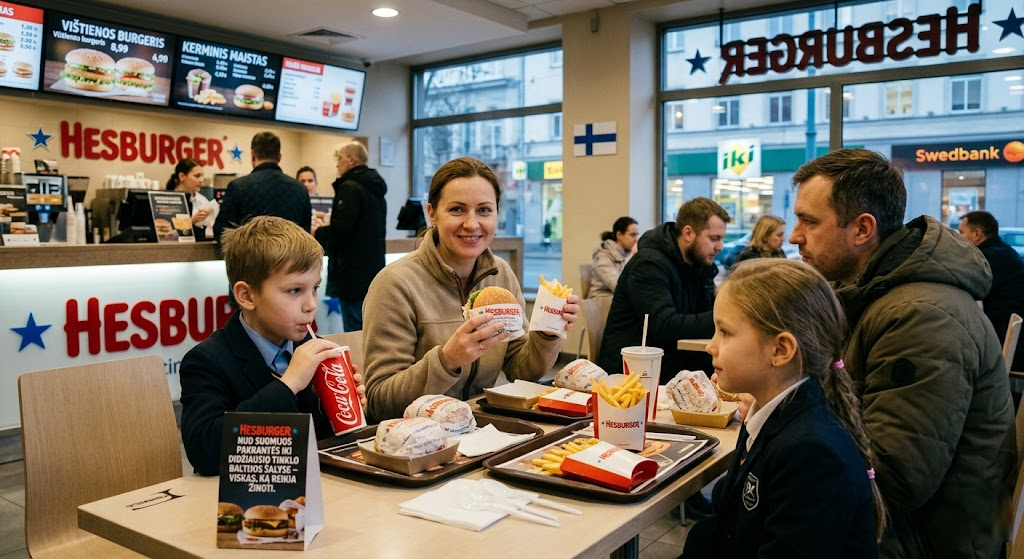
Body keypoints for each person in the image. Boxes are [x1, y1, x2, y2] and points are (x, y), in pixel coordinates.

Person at [789, 148, 1015, 558]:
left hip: (920, 540)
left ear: (862, 229)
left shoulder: (920, 317)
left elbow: (892, 477)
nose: (794, 236)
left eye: (809, 221)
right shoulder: (872, 295)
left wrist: (782, 410)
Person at [682, 259, 884, 558]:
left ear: (780, 350)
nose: (711, 347)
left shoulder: (812, 454)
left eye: (724, 332)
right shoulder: (769, 417)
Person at [361, 157, 577, 421]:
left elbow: (521, 371)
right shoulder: (394, 284)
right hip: (416, 443)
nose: (472, 224)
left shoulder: (501, 274)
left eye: (484, 210)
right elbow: (380, 402)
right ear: (432, 214)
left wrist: (546, 332)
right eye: (457, 210)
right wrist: (447, 360)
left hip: (482, 429)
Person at [179, 216, 366, 476]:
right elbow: (204, 452)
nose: (311, 304)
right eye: (294, 290)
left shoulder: (313, 347)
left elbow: (322, 445)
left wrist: (336, 408)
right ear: (247, 296)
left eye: (314, 289)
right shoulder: (207, 361)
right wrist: (288, 385)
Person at [598, 197, 729, 383]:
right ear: (688, 233)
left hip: (672, 363)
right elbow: (665, 326)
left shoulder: (697, 263)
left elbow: (705, 310)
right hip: (636, 374)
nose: (720, 247)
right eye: (714, 238)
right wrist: (723, 318)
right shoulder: (648, 265)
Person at [313, 141, 388, 332]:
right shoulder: (376, 189)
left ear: (352, 160)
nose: (337, 164)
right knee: (370, 329)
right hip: (373, 270)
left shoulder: (349, 188)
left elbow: (341, 230)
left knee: (354, 330)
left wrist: (318, 232)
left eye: (340, 159)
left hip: (351, 273)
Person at [213, 131, 312, 245]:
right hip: (291, 260)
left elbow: (221, 232)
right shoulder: (300, 189)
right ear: (279, 157)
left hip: (251, 259)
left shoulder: (237, 187)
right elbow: (306, 234)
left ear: (252, 155)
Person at [959, 210, 1024, 371]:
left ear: (977, 234)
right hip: (1007, 333)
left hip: (1003, 341)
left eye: (961, 232)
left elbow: (964, 285)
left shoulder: (986, 258)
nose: (958, 237)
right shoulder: (1002, 250)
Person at [166, 158, 218, 241]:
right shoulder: (168, 199)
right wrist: (192, 221)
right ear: (182, 176)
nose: (201, 180)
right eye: (197, 176)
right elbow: (166, 231)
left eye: (202, 176)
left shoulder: (202, 199)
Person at [589, 216, 639, 299]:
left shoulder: (626, 253)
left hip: (618, 300)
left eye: (637, 235)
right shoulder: (602, 256)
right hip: (601, 301)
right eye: (632, 235)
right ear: (619, 235)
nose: (636, 239)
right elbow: (618, 286)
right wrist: (631, 256)